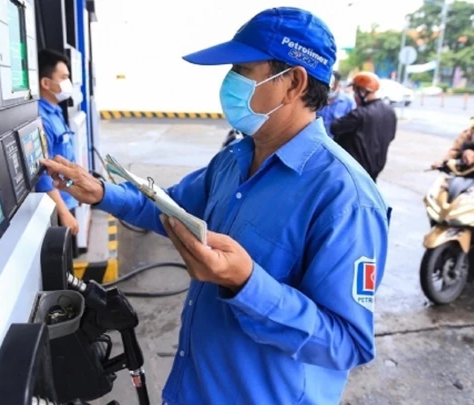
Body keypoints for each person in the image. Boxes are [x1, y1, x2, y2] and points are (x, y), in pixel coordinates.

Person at [41, 7, 391, 405]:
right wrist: (102, 192)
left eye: (243, 70)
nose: (230, 83)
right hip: (191, 390)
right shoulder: (234, 160)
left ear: (293, 82)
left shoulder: (346, 199)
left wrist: (246, 284)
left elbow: (346, 343)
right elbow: (168, 208)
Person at [34, 49, 79, 247]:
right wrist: (63, 213)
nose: (67, 83)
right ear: (46, 83)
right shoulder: (41, 117)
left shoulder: (54, 111)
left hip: (68, 199)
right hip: (58, 207)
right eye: (64, 78)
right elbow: (43, 173)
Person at [331, 72, 397, 182]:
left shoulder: (360, 114)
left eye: (356, 92)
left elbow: (335, 127)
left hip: (354, 174)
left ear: (362, 92)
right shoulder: (389, 111)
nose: (354, 96)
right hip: (374, 173)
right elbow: (391, 136)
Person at [317, 70, 356, 138]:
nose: (328, 87)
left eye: (332, 84)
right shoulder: (316, 98)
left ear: (338, 84)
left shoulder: (348, 103)